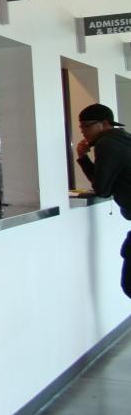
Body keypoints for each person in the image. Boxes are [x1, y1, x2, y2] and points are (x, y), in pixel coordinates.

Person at [75, 103, 131, 298]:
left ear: (104, 124)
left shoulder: (106, 143)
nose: (83, 132)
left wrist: (82, 158)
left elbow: (102, 189)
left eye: (87, 126)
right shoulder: (124, 138)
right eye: (81, 127)